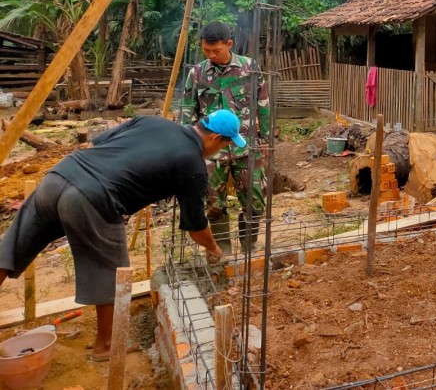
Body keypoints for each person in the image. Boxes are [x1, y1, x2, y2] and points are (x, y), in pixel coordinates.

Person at [0, 110, 242, 361]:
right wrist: (214, 249)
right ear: (215, 138)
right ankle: (106, 346)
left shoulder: (153, 121)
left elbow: (94, 144)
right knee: (110, 270)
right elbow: (196, 227)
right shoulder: (193, 165)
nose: (220, 151)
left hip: (60, 175)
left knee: (13, 245)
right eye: (225, 145)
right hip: (93, 196)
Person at [182, 22, 270, 254]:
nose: (211, 55)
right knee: (214, 205)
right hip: (211, 151)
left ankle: (249, 248)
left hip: (246, 146)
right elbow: (187, 112)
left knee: (255, 201)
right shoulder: (197, 73)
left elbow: (264, 106)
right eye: (206, 50)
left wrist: (267, 140)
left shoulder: (250, 68)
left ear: (229, 44)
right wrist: (187, 147)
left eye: (216, 51)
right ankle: (223, 252)